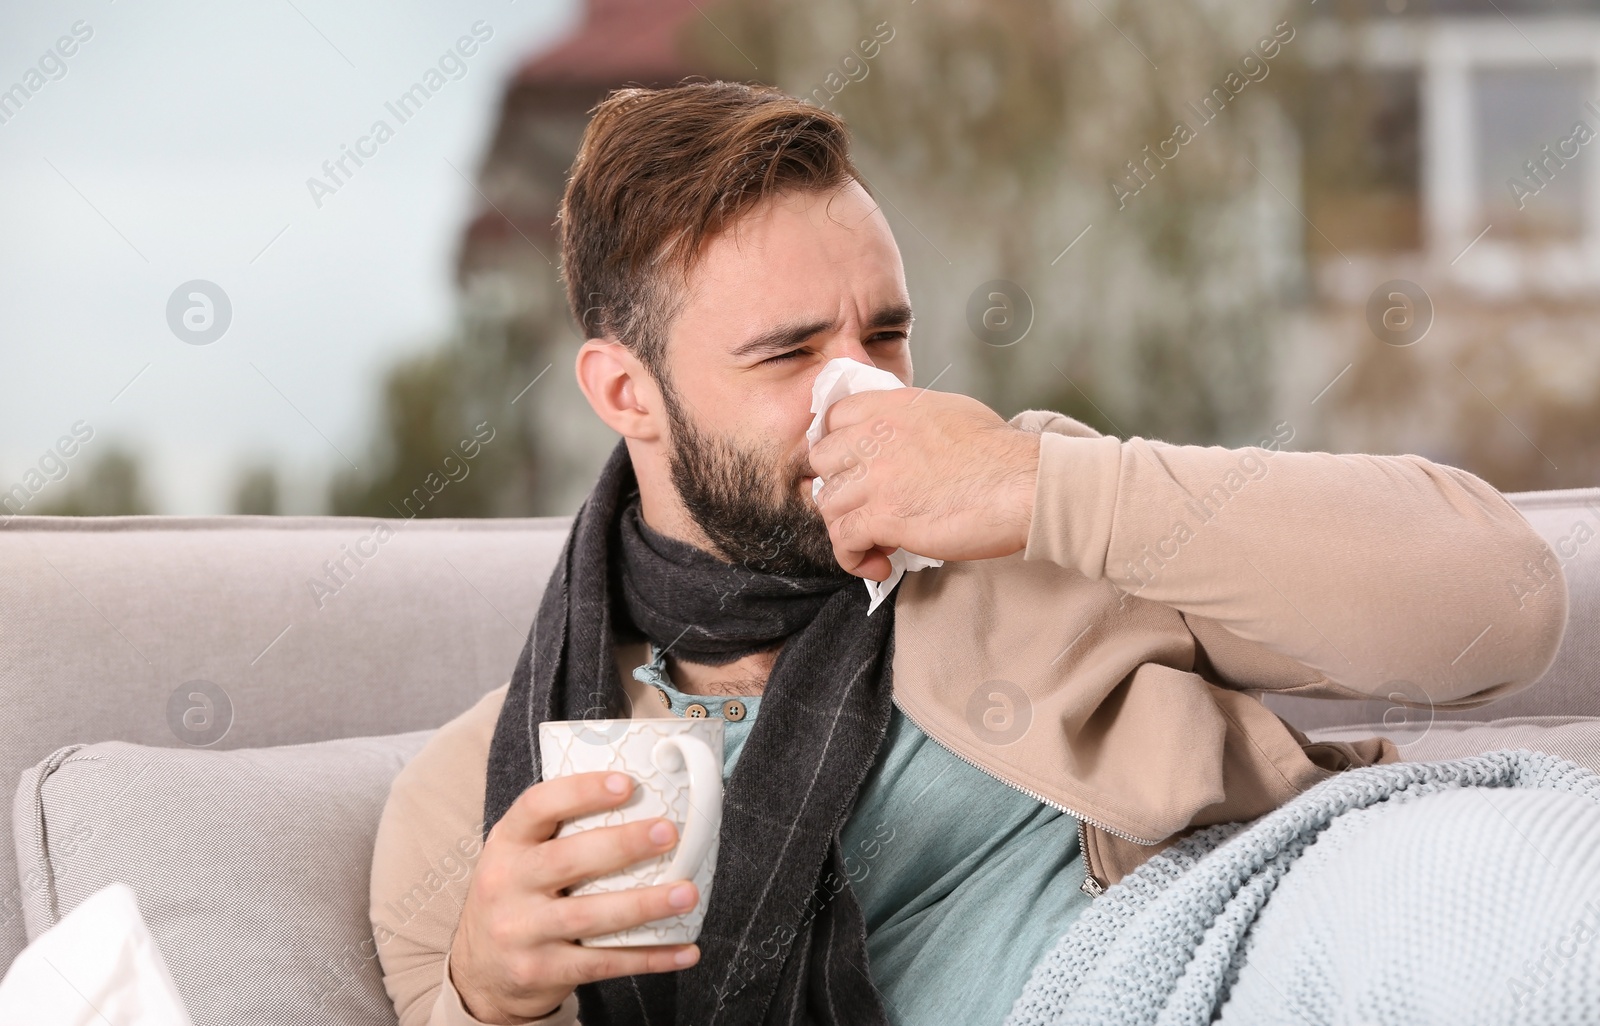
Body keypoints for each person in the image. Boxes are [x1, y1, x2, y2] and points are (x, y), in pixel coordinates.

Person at [368, 80, 1568, 1026]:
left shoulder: (1028, 508)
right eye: (788, 354)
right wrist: (486, 1001)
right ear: (626, 391)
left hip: (1272, 930)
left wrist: (1035, 486)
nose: (862, 387)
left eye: (885, 334)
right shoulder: (481, 796)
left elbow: (1505, 605)